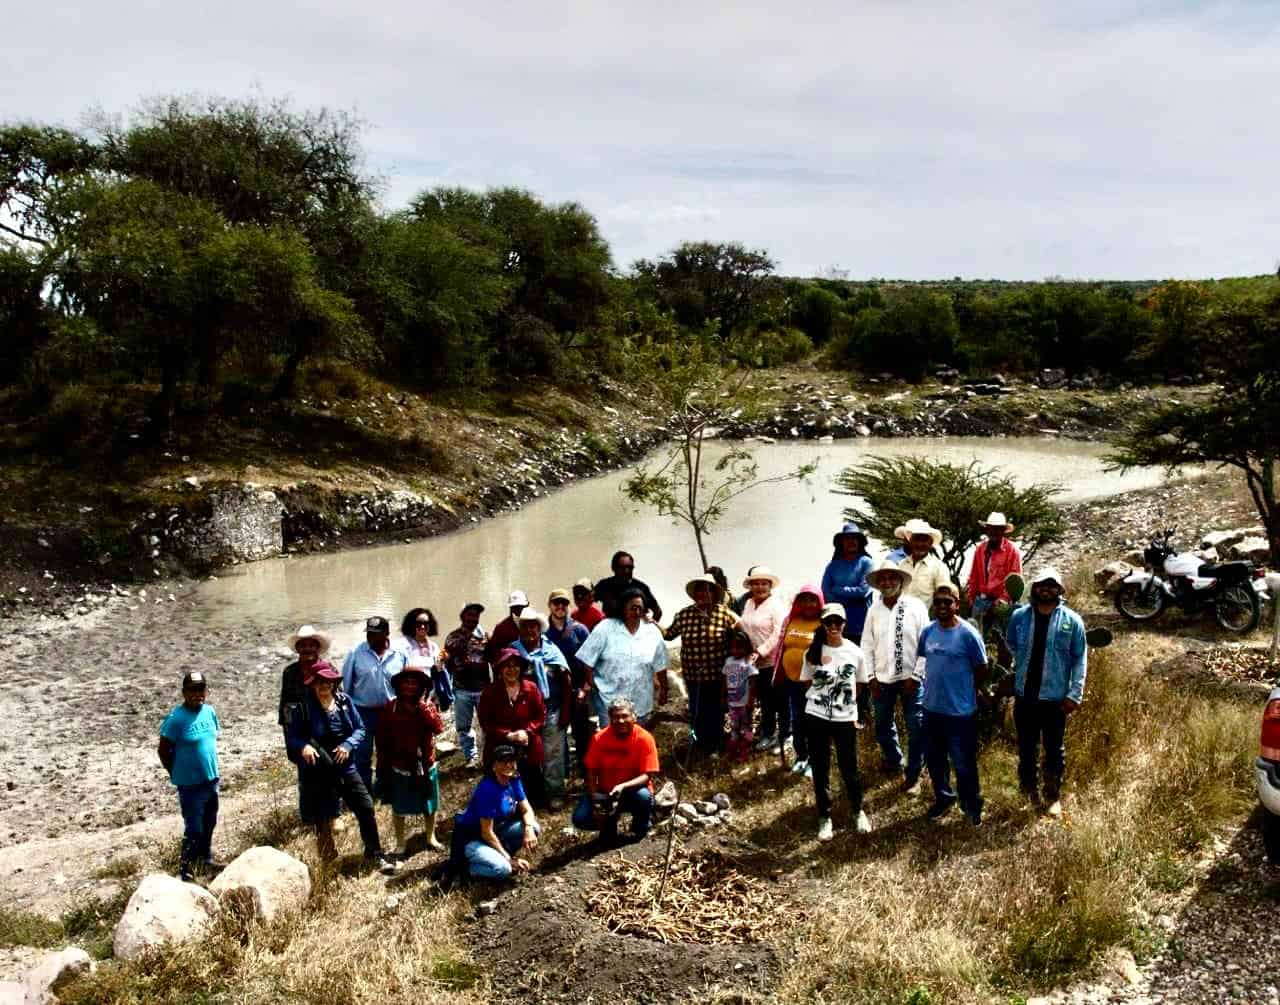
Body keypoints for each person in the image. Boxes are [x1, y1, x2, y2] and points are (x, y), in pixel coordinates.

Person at [285, 662, 396, 873]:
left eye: (327, 681)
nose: (323, 685)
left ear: (334, 683)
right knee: (322, 818)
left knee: (365, 806)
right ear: (312, 685)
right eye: (319, 682)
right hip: (319, 770)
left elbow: (360, 729)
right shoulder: (303, 707)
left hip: (346, 767)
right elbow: (293, 737)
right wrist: (304, 746)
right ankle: (328, 862)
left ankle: (374, 853)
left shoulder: (345, 701)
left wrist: (347, 745)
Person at [1004, 567, 1087, 818]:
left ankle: (1052, 795)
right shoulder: (1019, 616)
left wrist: (1075, 694)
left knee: (1053, 749)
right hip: (1025, 695)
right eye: (1041, 584)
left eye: (1052, 585)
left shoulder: (1072, 621)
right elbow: (1011, 644)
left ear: (1059, 589)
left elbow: (1079, 658)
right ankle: (1028, 790)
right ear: (1034, 588)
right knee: (1026, 747)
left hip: (1055, 698)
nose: (1046, 589)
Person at [919, 583, 989, 826]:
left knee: (963, 762)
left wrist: (966, 690)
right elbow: (922, 660)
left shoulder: (968, 634)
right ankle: (943, 799)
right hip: (931, 708)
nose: (942, 606)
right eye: (938, 602)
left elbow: (981, 667)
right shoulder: (928, 632)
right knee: (935, 759)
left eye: (947, 602)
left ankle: (971, 806)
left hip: (960, 712)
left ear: (957, 604)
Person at [801, 605, 872, 841]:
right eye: (828, 622)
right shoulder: (812, 651)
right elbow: (806, 682)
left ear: (844, 624)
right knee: (820, 767)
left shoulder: (855, 651)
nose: (833, 626)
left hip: (845, 717)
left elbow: (860, 684)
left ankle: (858, 810)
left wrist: (848, 706)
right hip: (816, 716)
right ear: (822, 624)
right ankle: (824, 816)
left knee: (849, 767)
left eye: (837, 622)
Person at [862, 559, 930, 793]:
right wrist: (870, 677)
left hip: (911, 678)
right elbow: (866, 645)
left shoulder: (916, 607)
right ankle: (894, 760)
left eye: (892, 577)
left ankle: (914, 774)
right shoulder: (873, 610)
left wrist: (917, 675)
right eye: (883, 579)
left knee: (916, 725)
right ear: (878, 583)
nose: (887, 582)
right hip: (882, 678)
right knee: (882, 724)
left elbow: (926, 643)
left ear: (901, 581)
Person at [375, 660, 447, 856]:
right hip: (400, 765)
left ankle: (430, 836)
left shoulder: (429, 706)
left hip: (425, 763)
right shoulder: (391, 708)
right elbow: (381, 739)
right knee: (399, 806)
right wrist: (382, 765)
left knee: (429, 804)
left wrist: (423, 708)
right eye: (405, 682)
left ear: (421, 687)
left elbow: (438, 728)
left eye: (414, 683)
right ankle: (400, 843)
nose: (409, 686)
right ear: (399, 685)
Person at [664, 574, 739, 755]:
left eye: (707, 590)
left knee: (717, 710)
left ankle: (716, 744)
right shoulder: (684, 614)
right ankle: (699, 742)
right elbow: (668, 635)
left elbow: (743, 633)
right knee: (697, 710)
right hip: (693, 675)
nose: (703, 594)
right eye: (699, 590)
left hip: (717, 675)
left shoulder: (725, 614)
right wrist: (650, 622)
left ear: (714, 593)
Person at [158, 671, 222, 882]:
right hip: (190, 784)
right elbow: (163, 750)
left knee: (209, 821)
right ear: (184, 692)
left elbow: (210, 740)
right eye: (192, 690)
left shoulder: (210, 712)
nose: (197, 694)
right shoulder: (176, 719)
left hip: (210, 779)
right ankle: (186, 869)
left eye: (201, 689)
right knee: (194, 828)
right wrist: (175, 771)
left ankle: (205, 861)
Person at [575, 586, 670, 726]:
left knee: (637, 742)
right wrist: (594, 685)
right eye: (632, 607)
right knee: (611, 744)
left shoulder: (652, 633)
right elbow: (587, 661)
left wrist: (664, 690)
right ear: (623, 608)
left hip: (641, 702)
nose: (636, 612)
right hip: (609, 702)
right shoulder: (605, 628)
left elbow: (661, 665)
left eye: (640, 608)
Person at [447, 744, 541, 882]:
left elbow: (527, 809)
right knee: (503, 869)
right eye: (503, 761)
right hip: (474, 838)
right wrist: (510, 860)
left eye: (511, 760)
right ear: (493, 766)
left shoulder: (514, 779)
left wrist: (528, 829)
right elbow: (486, 832)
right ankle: (467, 869)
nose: (508, 765)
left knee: (534, 827)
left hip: (497, 831)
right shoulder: (487, 790)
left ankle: (498, 854)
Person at [572, 699, 660, 842]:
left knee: (644, 797)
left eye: (625, 716)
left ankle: (640, 827)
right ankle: (609, 824)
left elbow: (647, 775)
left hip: (633, 791)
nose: (620, 721)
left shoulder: (645, 738)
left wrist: (623, 786)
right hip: (606, 793)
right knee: (580, 818)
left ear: (634, 717)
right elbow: (591, 772)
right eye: (616, 717)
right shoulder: (599, 738)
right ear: (610, 718)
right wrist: (595, 800)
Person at [340, 615, 408, 791]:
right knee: (362, 753)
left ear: (387, 633)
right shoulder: (355, 653)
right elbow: (346, 687)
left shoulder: (400, 654)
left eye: (376, 634)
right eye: (369, 634)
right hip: (362, 712)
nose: (371, 638)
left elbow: (407, 685)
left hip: (390, 712)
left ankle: (384, 786)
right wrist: (346, 713)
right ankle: (364, 790)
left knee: (388, 752)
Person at [514, 608, 571, 807]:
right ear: (519, 629)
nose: (530, 630)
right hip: (523, 714)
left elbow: (566, 681)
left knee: (553, 753)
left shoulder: (552, 651)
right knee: (524, 754)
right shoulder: (513, 652)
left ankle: (555, 793)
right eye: (525, 626)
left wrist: (565, 711)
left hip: (551, 710)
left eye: (533, 626)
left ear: (539, 628)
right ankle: (526, 795)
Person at [478, 648, 548, 807]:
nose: (512, 670)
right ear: (500, 669)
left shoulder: (531, 688)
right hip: (500, 743)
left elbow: (541, 714)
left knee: (532, 778)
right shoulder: (490, 692)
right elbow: (485, 722)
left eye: (515, 665)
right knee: (500, 780)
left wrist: (526, 731)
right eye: (507, 666)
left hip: (527, 742)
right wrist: (507, 735)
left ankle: (532, 807)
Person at [773, 584, 826, 774]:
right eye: (804, 600)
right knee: (798, 720)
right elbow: (781, 647)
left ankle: (815, 759)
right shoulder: (791, 620)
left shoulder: (824, 622)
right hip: (791, 681)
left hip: (814, 683)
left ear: (819, 601)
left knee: (814, 721)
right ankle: (801, 756)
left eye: (812, 599)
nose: (808, 604)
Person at [738, 565, 787, 752]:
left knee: (779, 700)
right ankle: (768, 732)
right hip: (753, 661)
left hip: (773, 661)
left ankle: (783, 735)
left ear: (770, 585)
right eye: (755, 584)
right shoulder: (749, 603)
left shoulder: (776, 605)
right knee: (764, 699)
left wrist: (761, 650)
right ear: (750, 586)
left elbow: (779, 633)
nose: (759, 587)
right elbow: (744, 625)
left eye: (763, 583)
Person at [546, 589, 592, 778]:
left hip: (577, 691)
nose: (560, 607)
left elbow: (591, 661)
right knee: (557, 735)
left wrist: (586, 688)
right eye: (556, 603)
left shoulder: (579, 630)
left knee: (582, 735)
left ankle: (585, 772)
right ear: (549, 606)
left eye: (564, 603)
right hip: (553, 694)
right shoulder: (543, 631)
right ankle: (562, 773)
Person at [443, 603, 491, 769]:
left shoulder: (486, 637)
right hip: (461, 689)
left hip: (484, 689)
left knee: (488, 724)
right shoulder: (452, 638)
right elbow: (446, 665)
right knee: (464, 727)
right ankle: (471, 756)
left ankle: (489, 756)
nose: (473, 618)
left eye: (476, 615)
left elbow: (494, 659)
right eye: (469, 614)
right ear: (462, 616)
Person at [966, 512, 1023, 624]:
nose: (994, 532)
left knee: (999, 637)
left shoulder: (1012, 551)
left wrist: (1001, 602)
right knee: (978, 635)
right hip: (980, 601)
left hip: (1000, 603)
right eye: (991, 528)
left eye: (997, 529)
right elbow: (974, 576)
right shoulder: (980, 549)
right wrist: (971, 600)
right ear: (987, 530)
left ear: (1003, 531)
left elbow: (1015, 578)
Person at [822, 523, 874, 643]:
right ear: (841, 542)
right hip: (836, 625)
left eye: (855, 538)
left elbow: (863, 592)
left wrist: (838, 590)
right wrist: (852, 597)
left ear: (860, 542)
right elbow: (826, 593)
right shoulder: (832, 566)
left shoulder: (867, 563)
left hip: (860, 625)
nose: (851, 541)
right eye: (847, 538)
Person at [396, 607, 452, 710]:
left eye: (426, 623)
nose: (422, 627)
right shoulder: (403, 645)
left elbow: (439, 672)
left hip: (431, 698)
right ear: (412, 625)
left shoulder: (434, 647)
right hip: (410, 697)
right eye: (418, 623)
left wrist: (444, 662)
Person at [279, 624, 330, 729]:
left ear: (317, 647)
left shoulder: (328, 669)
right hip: (298, 723)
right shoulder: (289, 672)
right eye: (303, 646)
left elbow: (338, 698)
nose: (307, 649)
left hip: (324, 722)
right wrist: (287, 727)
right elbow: (285, 701)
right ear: (297, 648)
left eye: (311, 645)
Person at [895, 519, 950, 608]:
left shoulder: (939, 567)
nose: (920, 544)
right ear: (910, 542)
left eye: (924, 540)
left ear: (930, 543)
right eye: (916, 539)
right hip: (900, 618)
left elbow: (943, 597)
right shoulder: (901, 565)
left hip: (925, 620)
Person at [722, 628, 758, 762]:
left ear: (746, 648)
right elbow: (725, 680)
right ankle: (733, 750)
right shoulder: (728, 661)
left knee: (746, 727)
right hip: (733, 703)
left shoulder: (748, 663)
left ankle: (746, 749)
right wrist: (724, 696)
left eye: (739, 648)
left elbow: (752, 684)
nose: (736, 651)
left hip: (745, 703)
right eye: (733, 648)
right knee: (734, 726)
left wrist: (750, 701)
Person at [594, 551, 663, 621]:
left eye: (630, 567)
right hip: (610, 628)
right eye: (622, 568)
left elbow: (658, 612)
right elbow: (587, 601)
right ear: (613, 568)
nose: (627, 571)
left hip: (634, 628)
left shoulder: (642, 588)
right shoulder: (604, 585)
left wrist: (648, 629)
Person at [484, 591, 529, 663]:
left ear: (527, 605)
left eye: (521, 606)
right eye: (515, 607)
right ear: (510, 608)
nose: (519, 609)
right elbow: (493, 653)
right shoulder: (501, 628)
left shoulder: (536, 623)